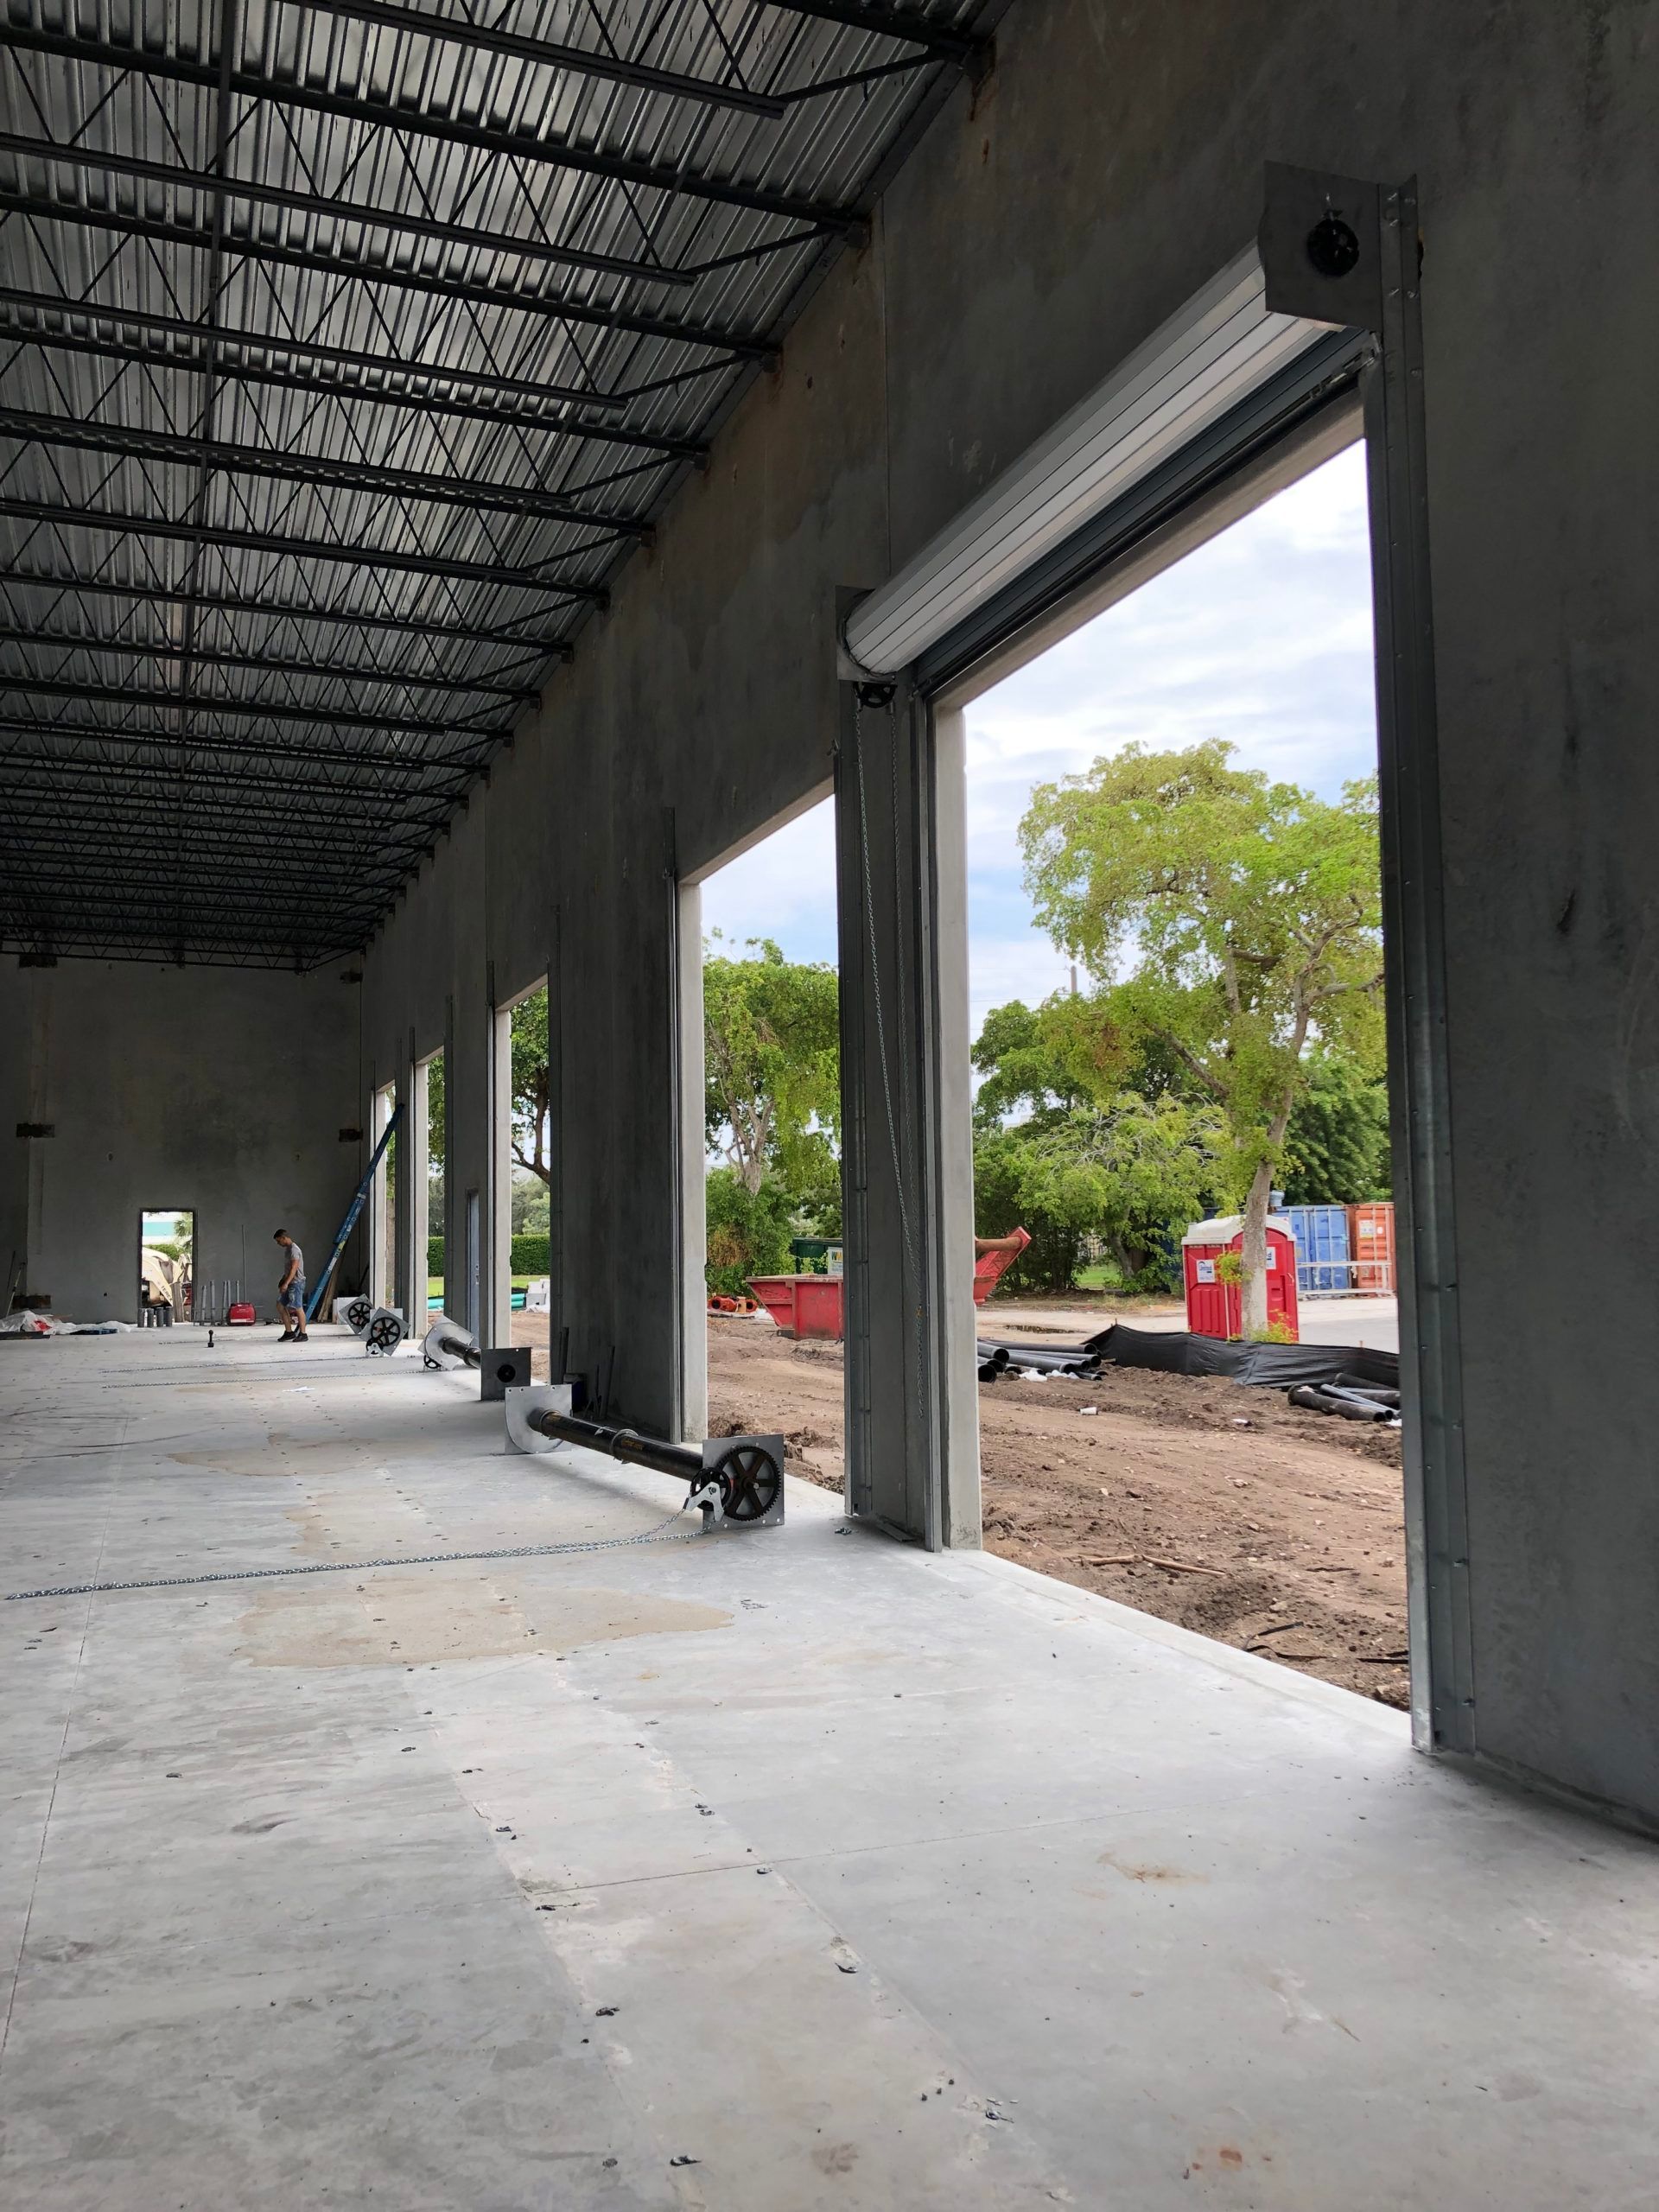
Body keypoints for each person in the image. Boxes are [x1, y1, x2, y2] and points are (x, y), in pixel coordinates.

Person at [274, 1229, 308, 1342]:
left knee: (298, 1308)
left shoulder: (294, 1250)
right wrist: (283, 1280)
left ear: (284, 1238)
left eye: (279, 1241)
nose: (278, 1244)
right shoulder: (288, 1250)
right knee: (280, 1305)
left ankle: (303, 1334)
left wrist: (286, 1284)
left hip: (296, 1283)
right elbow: (288, 1269)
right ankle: (289, 1332)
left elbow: (294, 1268)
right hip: (289, 1282)